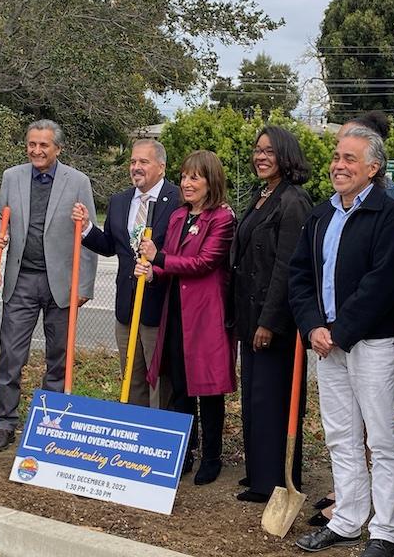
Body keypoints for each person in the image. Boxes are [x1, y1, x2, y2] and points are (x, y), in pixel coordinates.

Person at [289, 125, 394, 557]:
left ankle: (387, 532)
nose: (338, 165)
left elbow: (384, 284)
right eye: (337, 157)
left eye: (349, 159)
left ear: (373, 168)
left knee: (380, 439)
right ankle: (347, 520)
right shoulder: (321, 216)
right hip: (327, 343)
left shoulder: (388, 215)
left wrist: (340, 332)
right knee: (340, 436)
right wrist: (313, 328)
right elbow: (300, 276)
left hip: (371, 344)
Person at [0, 119, 98, 452]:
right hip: (21, 280)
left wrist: (85, 286)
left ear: (57, 148)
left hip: (61, 282)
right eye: (32, 144)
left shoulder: (77, 181)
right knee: (10, 355)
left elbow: (89, 234)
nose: (36, 150)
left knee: (59, 357)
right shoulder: (12, 176)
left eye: (44, 145)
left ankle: (50, 425)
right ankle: (5, 423)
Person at [135, 150, 235, 486]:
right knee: (180, 386)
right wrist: (154, 273)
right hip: (175, 312)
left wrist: (159, 256)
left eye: (196, 177)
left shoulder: (221, 218)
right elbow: (171, 265)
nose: (187, 183)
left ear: (211, 181)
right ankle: (185, 451)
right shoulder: (179, 216)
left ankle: (212, 457)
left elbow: (204, 263)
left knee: (207, 389)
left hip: (205, 316)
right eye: (185, 176)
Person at [230, 126, 313, 503]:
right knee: (254, 399)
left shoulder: (293, 201)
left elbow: (286, 267)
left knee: (273, 401)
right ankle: (259, 474)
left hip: (274, 323)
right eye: (257, 150)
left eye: (269, 152)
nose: (260, 157)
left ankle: (276, 480)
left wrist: (268, 321)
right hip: (248, 316)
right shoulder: (262, 195)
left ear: (285, 156)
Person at [71, 139, 180, 408]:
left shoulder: (178, 200)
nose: (136, 167)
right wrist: (86, 228)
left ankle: (158, 435)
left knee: (160, 379)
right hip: (127, 307)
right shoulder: (120, 201)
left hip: (160, 306)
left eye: (143, 162)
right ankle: (134, 433)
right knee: (132, 376)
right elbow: (110, 246)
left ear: (161, 167)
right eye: (133, 161)